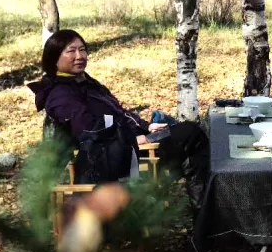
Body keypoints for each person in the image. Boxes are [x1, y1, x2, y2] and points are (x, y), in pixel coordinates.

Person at [28, 29, 209, 210]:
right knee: (191, 134)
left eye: (82, 49)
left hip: (129, 145)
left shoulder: (85, 83)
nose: (79, 56)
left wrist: (147, 127)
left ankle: (199, 214)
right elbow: (89, 131)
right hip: (115, 158)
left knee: (189, 134)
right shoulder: (60, 94)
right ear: (54, 59)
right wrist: (135, 139)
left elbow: (120, 113)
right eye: (71, 51)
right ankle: (202, 215)